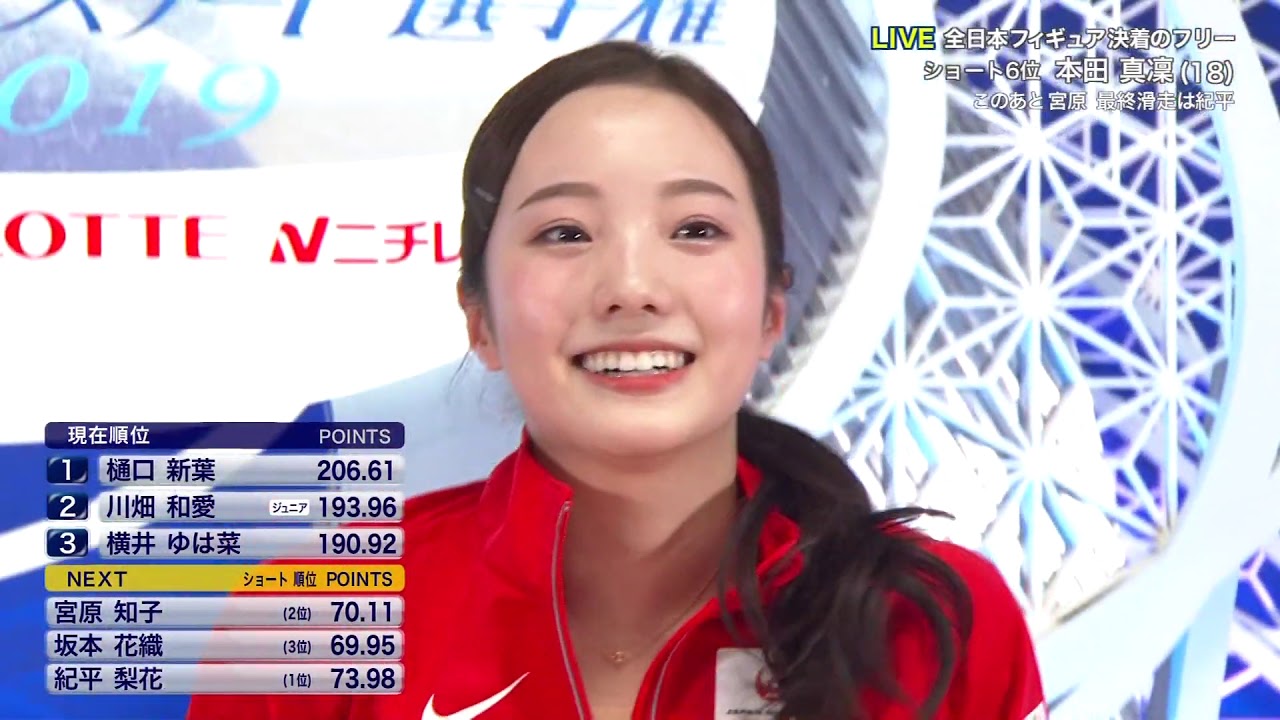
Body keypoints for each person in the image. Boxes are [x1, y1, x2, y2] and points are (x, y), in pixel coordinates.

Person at [187, 40, 1047, 720]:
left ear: (771, 311)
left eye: (695, 228)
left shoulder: (932, 622)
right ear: (479, 319)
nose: (633, 286)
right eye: (565, 233)